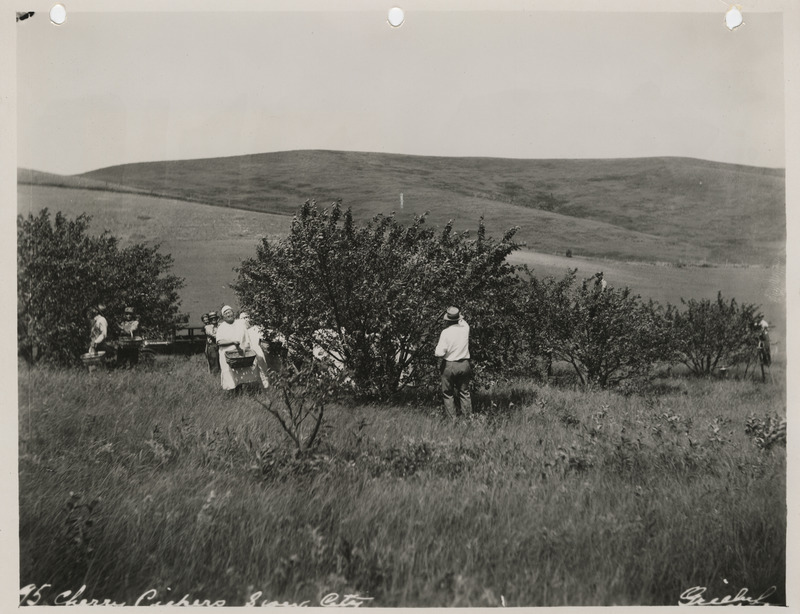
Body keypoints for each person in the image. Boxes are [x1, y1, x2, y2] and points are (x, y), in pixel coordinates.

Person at [434, 306, 473, 418]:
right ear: (458, 318)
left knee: (448, 394)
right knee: (465, 393)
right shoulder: (465, 328)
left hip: (449, 365)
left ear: (447, 320)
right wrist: (459, 316)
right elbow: (463, 321)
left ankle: (452, 420)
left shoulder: (445, 332)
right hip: (464, 364)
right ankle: (468, 419)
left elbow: (439, 353)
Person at [215, 305, 262, 394]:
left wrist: (247, 349)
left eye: (230, 312)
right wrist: (232, 342)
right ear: (223, 316)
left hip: (241, 354)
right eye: (226, 313)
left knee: (241, 373)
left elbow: (247, 338)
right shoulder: (222, 327)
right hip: (228, 356)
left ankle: (243, 392)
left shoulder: (240, 324)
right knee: (230, 374)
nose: (228, 314)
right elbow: (219, 342)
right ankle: (232, 394)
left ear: (233, 313)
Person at [240, 312, 270, 388]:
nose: (246, 320)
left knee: (262, 368)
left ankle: (266, 386)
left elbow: (265, 335)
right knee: (250, 371)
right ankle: (254, 387)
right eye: (244, 318)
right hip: (247, 352)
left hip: (257, 350)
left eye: (247, 317)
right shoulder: (240, 331)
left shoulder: (255, 328)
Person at [203, 311, 220, 376]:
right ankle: (214, 377)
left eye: (215, 318)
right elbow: (214, 335)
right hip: (212, 346)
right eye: (212, 319)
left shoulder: (219, 325)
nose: (214, 320)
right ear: (210, 320)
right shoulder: (208, 327)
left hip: (219, 346)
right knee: (214, 363)